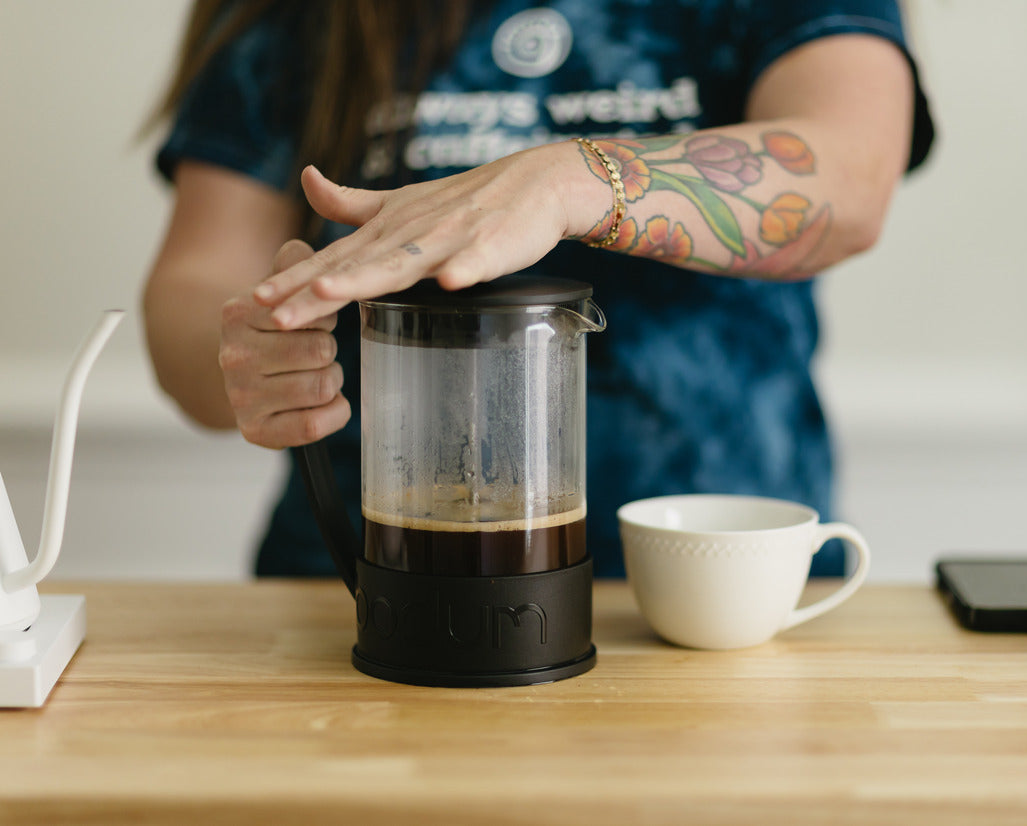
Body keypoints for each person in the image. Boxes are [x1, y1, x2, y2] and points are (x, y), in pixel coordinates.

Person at [143, 0, 934, 578]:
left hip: (721, 588)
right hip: (360, 581)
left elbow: (848, 179)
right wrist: (251, 349)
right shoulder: (297, 18)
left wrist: (570, 180)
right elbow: (200, 277)